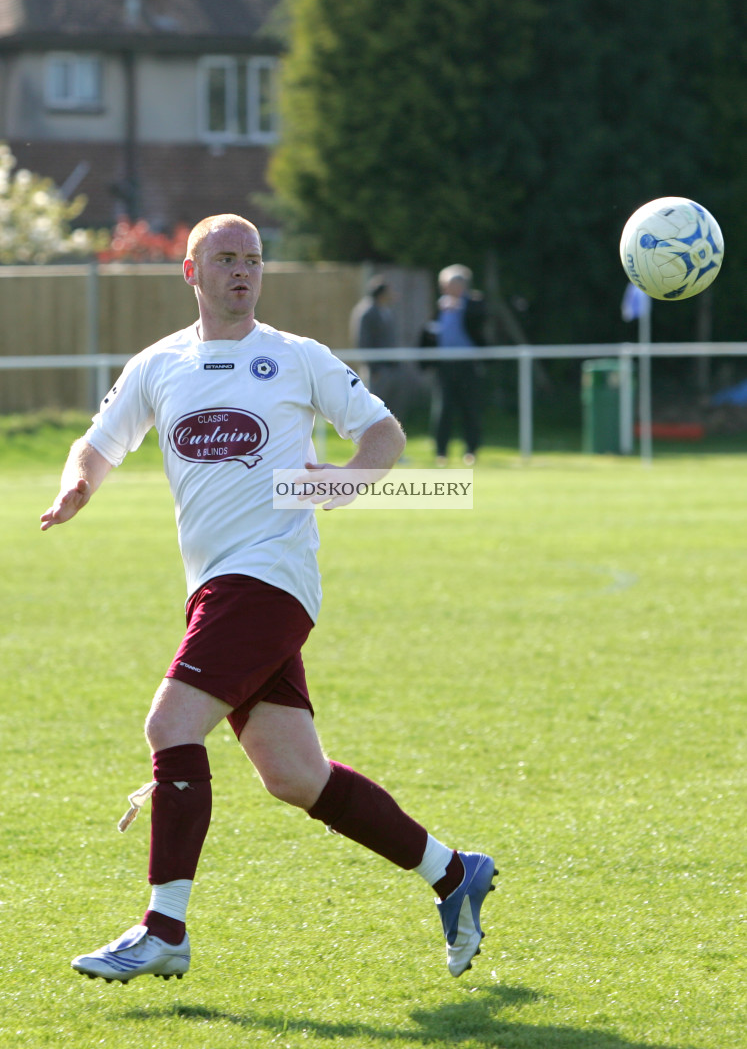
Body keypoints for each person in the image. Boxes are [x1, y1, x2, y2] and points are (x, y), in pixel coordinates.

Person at [40, 214, 495, 984]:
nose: (242, 271)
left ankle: (164, 929)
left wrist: (347, 481)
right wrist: (78, 483)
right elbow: (100, 440)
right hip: (214, 588)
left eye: (252, 259)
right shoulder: (159, 364)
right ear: (192, 272)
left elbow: (384, 436)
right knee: (293, 774)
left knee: (169, 724)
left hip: (270, 578)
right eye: (226, 259)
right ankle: (454, 873)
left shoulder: (295, 358)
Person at [430, 264, 486, 465]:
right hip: (445, 365)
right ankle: (441, 453)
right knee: (443, 409)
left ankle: (471, 450)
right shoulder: (439, 306)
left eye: (455, 284)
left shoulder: (474, 303)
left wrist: (462, 305)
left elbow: (481, 319)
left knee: (469, 408)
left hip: (467, 364)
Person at [348, 275, 399, 408]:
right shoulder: (366, 312)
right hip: (376, 369)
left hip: (388, 366)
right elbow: (362, 341)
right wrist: (373, 367)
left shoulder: (385, 310)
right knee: (373, 405)